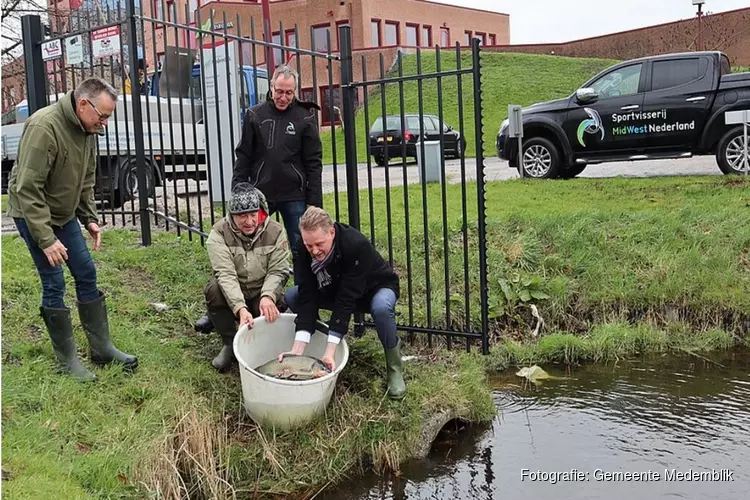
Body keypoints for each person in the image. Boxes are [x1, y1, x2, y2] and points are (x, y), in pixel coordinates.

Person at [6, 77, 137, 381]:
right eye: (102, 115)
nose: (104, 123)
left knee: (86, 271)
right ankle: (67, 360)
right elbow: (28, 190)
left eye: (108, 117)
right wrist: (46, 239)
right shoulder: (44, 128)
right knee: (54, 282)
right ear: (82, 104)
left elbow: (85, 180)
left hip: (63, 214)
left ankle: (101, 349)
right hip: (32, 214)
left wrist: (88, 218)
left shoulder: (87, 129)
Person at [194, 64, 322, 333]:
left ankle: (299, 301)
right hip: (259, 194)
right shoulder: (255, 114)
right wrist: (239, 189)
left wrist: (314, 202)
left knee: (301, 249)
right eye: (279, 91)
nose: (283, 97)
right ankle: (223, 306)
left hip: (293, 194)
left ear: (295, 91)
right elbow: (244, 154)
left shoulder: (305, 116)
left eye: (288, 92)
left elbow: (314, 162)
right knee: (245, 244)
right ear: (271, 88)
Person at [282, 207, 406, 399]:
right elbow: (308, 293)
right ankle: (314, 347)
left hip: (374, 289)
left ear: (331, 232)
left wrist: (332, 350)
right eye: (309, 245)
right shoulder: (302, 247)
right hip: (334, 288)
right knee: (293, 296)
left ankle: (394, 368)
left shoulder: (355, 245)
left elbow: (346, 298)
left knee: (381, 308)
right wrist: (297, 349)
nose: (314, 251)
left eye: (319, 244)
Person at [205, 183, 291, 372]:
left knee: (276, 305)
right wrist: (240, 308)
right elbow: (225, 274)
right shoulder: (218, 233)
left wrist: (268, 296)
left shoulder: (276, 231)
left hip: (261, 289)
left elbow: (279, 270)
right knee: (213, 291)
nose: (249, 221)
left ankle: (263, 346)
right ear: (232, 215)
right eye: (242, 216)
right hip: (235, 290)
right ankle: (229, 343)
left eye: (253, 214)